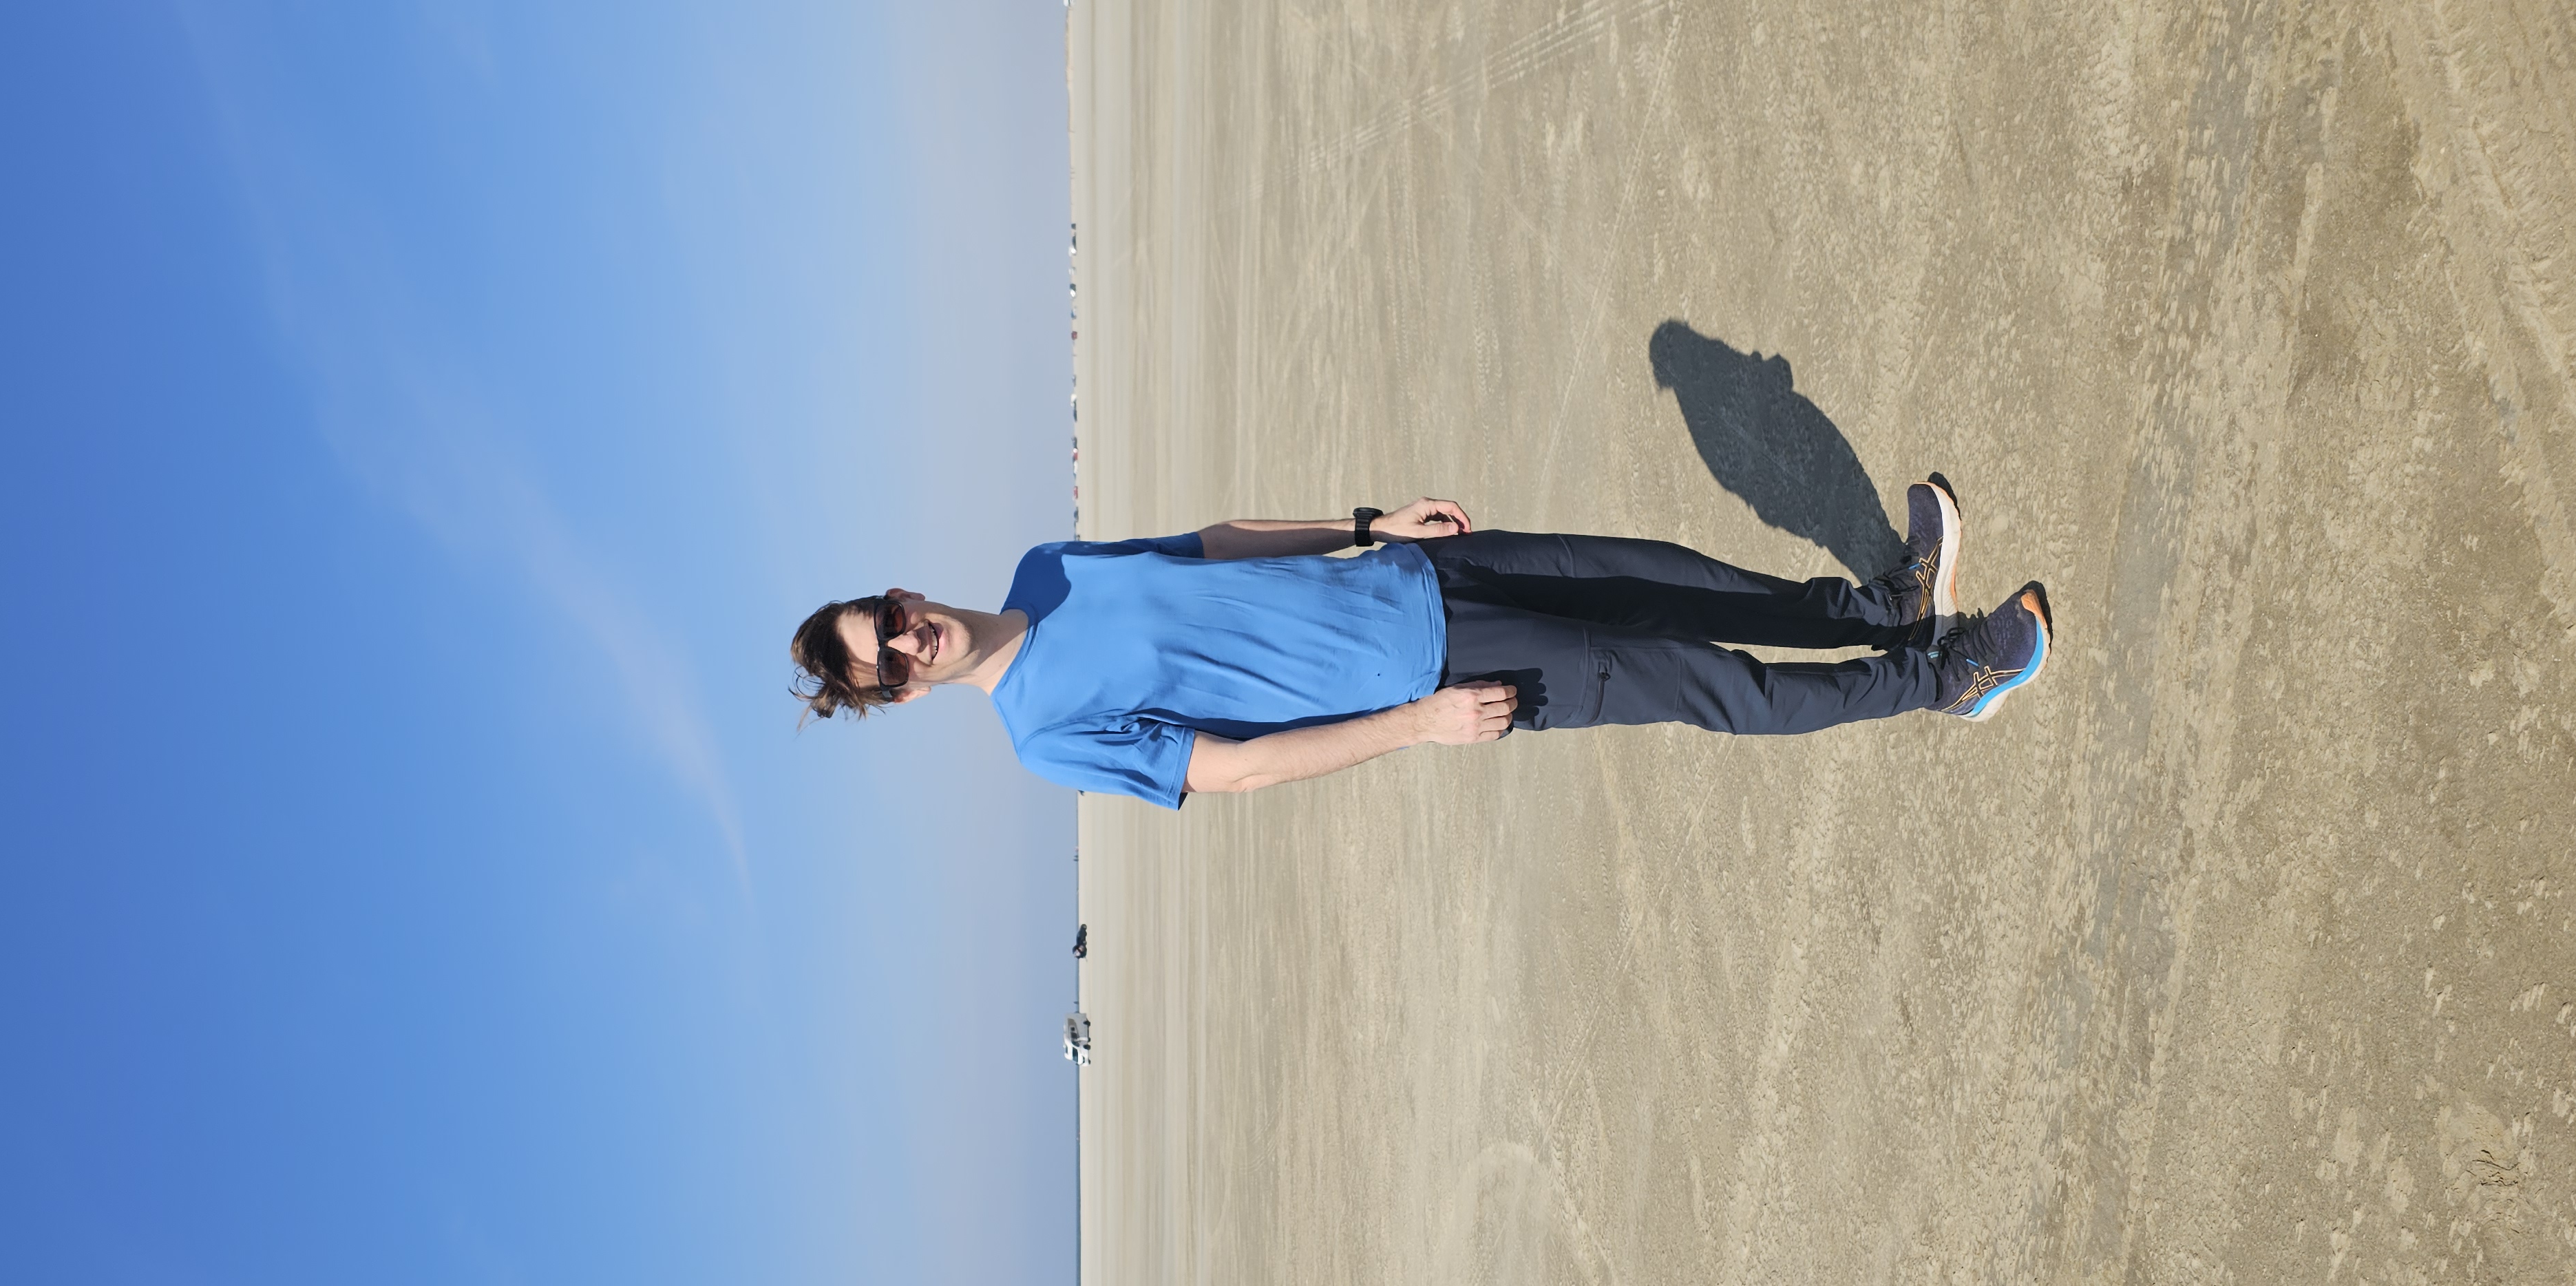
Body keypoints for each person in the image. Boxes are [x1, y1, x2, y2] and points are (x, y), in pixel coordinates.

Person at [788, 479, 2049, 808]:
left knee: (1684, 580)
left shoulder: (1043, 569)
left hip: (1427, 573)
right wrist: (1414, 727)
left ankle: (1887, 608)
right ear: (903, 695)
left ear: (899, 594)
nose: (907, 643)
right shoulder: (1044, 736)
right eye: (887, 664)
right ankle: (1951, 675)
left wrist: (1365, 524)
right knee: (1712, 683)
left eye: (885, 622)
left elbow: (1213, 544)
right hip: (1436, 675)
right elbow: (1236, 768)